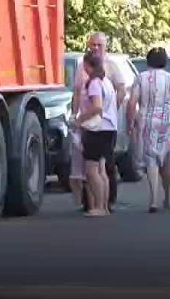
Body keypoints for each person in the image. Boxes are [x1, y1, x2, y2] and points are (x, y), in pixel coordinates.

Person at [71, 32, 126, 211]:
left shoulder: (107, 70)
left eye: (98, 45)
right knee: (96, 167)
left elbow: (118, 93)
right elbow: (77, 92)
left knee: (99, 167)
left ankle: (105, 203)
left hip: (100, 125)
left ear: (105, 47)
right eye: (92, 45)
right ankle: (94, 204)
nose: (95, 48)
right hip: (95, 124)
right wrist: (75, 114)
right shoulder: (85, 70)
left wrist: (109, 112)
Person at [127, 47, 170, 213]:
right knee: (167, 159)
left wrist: (130, 123)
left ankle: (153, 199)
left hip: (148, 122)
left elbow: (132, 103)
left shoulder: (141, 78)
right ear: (165, 62)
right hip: (169, 122)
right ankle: (168, 197)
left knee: (151, 159)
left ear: (148, 61)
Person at [75, 51, 118, 217]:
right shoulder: (106, 81)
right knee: (101, 169)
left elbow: (97, 107)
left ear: (87, 65)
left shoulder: (93, 83)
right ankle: (104, 206)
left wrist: (80, 120)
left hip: (97, 129)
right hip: (109, 128)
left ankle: (99, 206)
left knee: (91, 170)